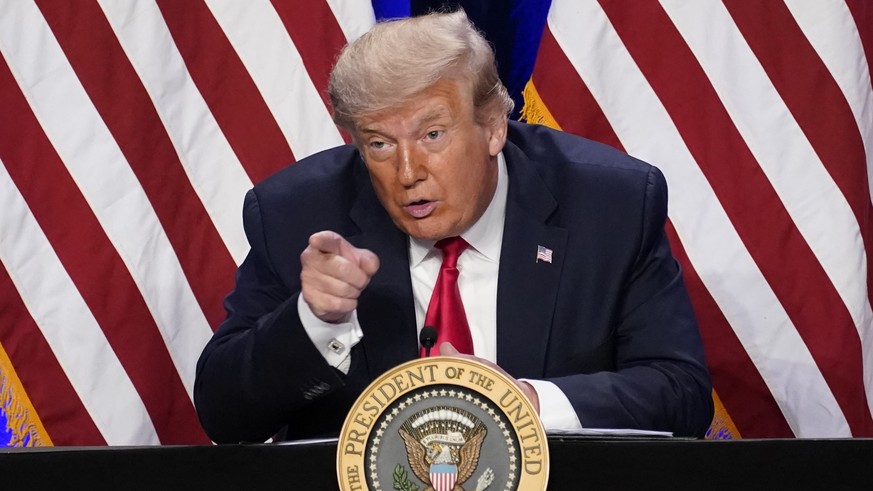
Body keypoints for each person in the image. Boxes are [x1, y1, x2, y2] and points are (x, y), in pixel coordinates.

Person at [193, 10, 713, 444]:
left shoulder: (608, 204)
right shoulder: (298, 215)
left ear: (492, 127)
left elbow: (681, 393)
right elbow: (224, 416)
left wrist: (523, 403)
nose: (408, 172)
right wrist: (313, 320)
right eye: (379, 143)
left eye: (433, 134)